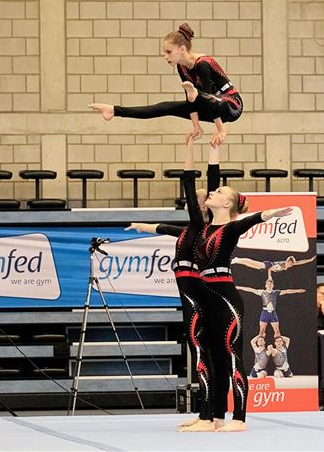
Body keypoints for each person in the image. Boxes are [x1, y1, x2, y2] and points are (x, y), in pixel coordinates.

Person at [125, 141, 219, 431]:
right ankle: (208, 413)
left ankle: (207, 417)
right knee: (199, 351)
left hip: (195, 293)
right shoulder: (191, 230)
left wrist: (196, 151)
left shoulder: (202, 224)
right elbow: (165, 229)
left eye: (201, 199)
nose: (195, 200)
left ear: (203, 208)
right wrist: (140, 227)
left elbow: (193, 184)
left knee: (201, 351)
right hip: (189, 292)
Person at [196, 183, 292, 432]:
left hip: (225, 298)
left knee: (232, 357)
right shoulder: (205, 228)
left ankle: (239, 418)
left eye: (219, 192)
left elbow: (251, 220)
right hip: (207, 295)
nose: (212, 193)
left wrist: (272, 213)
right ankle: (216, 417)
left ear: (227, 204)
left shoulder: (230, 228)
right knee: (216, 360)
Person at [88, 23, 242, 147]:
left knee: (199, 96)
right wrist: (196, 127)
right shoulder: (181, 66)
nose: (164, 56)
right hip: (208, 104)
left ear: (182, 49)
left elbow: (210, 99)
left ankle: (195, 94)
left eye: (168, 52)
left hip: (231, 105)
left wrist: (221, 130)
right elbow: (191, 103)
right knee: (167, 106)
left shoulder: (203, 64)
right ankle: (114, 111)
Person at [236, 278, 306, 337]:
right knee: (261, 332)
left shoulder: (276, 292)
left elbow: (287, 291)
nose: (269, 285)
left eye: (270, 284)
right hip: (264, 313)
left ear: (273, 285)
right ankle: (259, 349)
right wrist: (239, 287)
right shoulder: (261, 292)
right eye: (268, 284)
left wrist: (297, 290)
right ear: (265, 285)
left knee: (277, 332)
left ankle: (280, 349)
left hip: (273, 313)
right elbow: (250, 289)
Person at [232, 255, 316, 281]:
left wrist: (310, 260)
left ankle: (238, 261)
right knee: (252, 262)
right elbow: (270, 269)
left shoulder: (290, 264)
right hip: (268, 265)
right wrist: (269, 277)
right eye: (290, 263)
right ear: (287, 261)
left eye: (291, 264)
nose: (290, 266)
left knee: (249, 265)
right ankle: (238, 259)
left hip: (266, 268)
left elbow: (300, 262)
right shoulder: (282, 264)